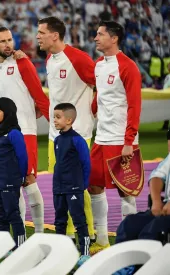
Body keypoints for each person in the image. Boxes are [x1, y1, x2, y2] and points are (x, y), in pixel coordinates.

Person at [37, 16, 96, 242]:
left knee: (78, 186)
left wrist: (90, 110)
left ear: (54, 35)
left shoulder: (78, 59)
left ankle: (87, 233)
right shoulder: (50, 59)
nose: (37, 36)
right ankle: (68, 236)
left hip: (78, 134)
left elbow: (101, 86)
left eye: (41, 32)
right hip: (55, 136)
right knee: (60, 185)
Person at [0, 26, 50, 233]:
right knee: (11, 183)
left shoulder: (22, 62)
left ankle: (41, 233)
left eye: (10, 40)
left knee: (28, 179)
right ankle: (21, 233)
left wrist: (56, 125)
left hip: (24, 131)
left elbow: (39, 95)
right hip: (1, 133)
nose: (8, 45)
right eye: (3, 41)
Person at [89, 21, 142, 254]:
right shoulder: (99, 64)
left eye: (100, 34)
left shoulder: (128, 67)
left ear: (114, 39)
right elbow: (99, 97)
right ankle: (102, 240)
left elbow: (134, 105)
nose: (95, 38)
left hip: (121, 140)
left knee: (126, 192)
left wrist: (129, 141)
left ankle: (128, 243)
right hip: (101, 138)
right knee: (93, 186)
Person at [52, 103, 91, 265]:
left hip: (74, 187)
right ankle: (60, 251)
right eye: (54, 117)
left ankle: (85, 252)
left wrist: (83, 185)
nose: (54, 120)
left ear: (69, 120)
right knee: (59, 221)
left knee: (79, 220)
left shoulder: (77, 140)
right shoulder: (57, 140)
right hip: (59, 187)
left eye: (58, 117)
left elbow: (86, 163)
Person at [0, 97, 27, 249]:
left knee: (12, 214)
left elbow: (22, 156)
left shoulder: (14, 133)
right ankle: (5, 247)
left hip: (9, 181)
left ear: (8, 113)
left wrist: (21, 176)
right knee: (0, 216)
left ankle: (21, 247)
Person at [115, 153, 170, 243]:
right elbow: (157, 175)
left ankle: (151, 256)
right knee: (130, 225)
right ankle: (121, 256)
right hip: (165, 208)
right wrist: (156, 202)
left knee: (153, 230)